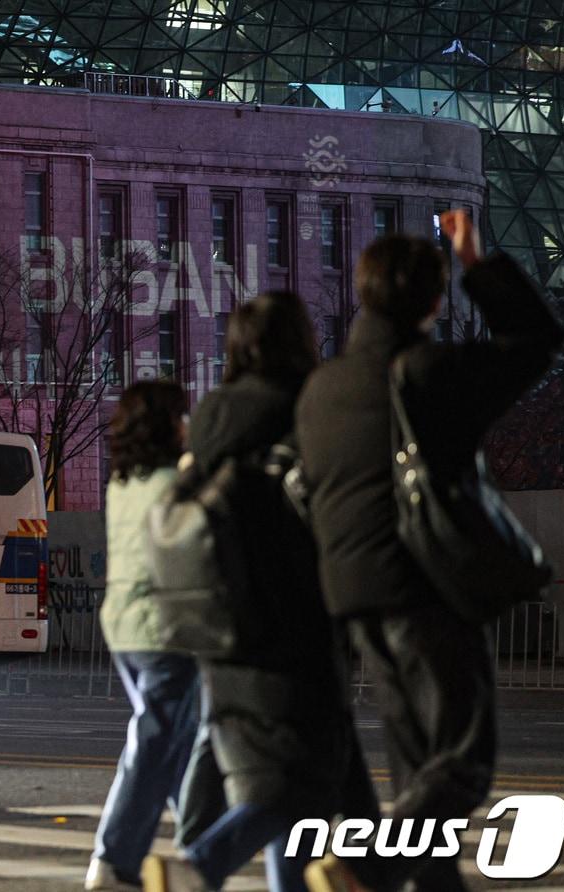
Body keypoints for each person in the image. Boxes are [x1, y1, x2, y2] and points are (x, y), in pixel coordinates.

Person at [296, 211, 564, 892]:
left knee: (420, 769)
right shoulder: (430, 373)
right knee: (464, 760)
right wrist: (476, 258)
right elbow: (537, 340)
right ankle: (366, 865)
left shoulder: (322, 390)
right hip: (426, 587)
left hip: (353, 594)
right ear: (435, 299)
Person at [137, 292, 378, 892]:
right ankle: (200, 865)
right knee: (297, 786)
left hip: (221, 617)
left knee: (292, 775)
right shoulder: (307, 406)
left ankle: (352, 868)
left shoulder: (215, 411)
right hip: (296, 616)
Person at [86, 380, 201, 892]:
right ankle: (114, 860)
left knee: (171, 739)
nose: (187, 423)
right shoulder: (174, 484)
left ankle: (201, 846)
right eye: (181, 415)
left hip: (125, 624)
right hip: (163, 627)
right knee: (158, 740)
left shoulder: (123, 482)